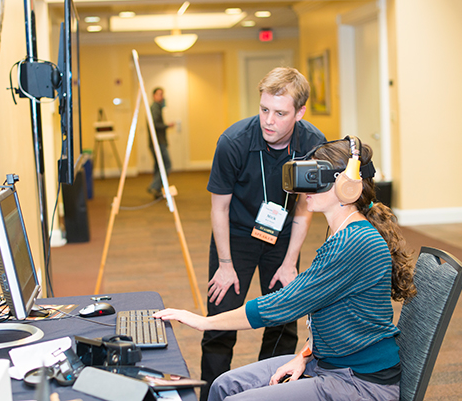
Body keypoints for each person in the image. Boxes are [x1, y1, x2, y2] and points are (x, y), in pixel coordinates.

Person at [154, 137, 417, 401]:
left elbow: (283, 304)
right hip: (329, 363)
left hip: (362, 382)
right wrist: (304, 354)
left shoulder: (353, 242)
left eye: (316, 178)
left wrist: (205, 322)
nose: (306, 187)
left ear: (347, 187)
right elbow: (330, 311)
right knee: (224, 385)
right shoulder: (341, 232)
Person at [200, 67, 326, 400]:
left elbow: (304, 208)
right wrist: (225, 264)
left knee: (283, 324)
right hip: (236, 236)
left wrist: (289, 263)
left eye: (280, 113)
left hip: (283, 237)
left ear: (299, 113)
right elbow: (219, 209)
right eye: (264, 109)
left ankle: (267, 395)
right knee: (220, 323)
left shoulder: (313, 143)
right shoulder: (233, 142)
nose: (268, 120)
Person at [147, 87, 174, 199]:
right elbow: (155, 125)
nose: (161, 97)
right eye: (159, 94)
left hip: (157, 142)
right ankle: (154, 186)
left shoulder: (157, 107)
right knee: (166, 165)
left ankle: (156, 189)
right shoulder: (155, 108)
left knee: (158, 166)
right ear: (154, 96)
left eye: (162, 94)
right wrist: (167, 125)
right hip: (158, 143)